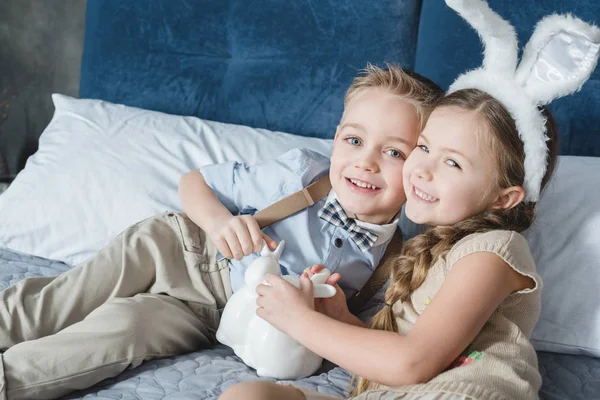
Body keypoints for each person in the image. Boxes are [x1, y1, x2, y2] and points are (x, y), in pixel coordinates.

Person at [218, 1, 600, 399]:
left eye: (452, 162)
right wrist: (343, 321)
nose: (422, 169)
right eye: (423, 147)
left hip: (463, 394)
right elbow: (399, 361)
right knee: (247, 395)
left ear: (504, 198)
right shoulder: (423, 249)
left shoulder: (493, 252)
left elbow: (414, 363)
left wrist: (299, 321)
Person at [0, 64, 443, 400]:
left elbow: (364, 343)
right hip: (179, 250)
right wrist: (220, 222)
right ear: (335, 137)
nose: (366, 162)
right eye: (353, 141)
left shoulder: (396, 261)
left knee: (123, 331)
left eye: (393, 152)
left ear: (422, 167)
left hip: (207, 316)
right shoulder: (301, 173)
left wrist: (334, 318)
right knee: (66, 299)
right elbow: (196, 182)